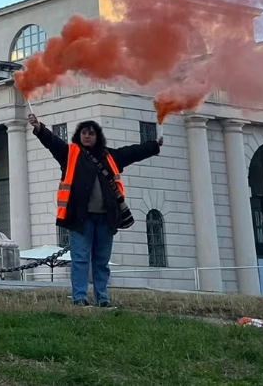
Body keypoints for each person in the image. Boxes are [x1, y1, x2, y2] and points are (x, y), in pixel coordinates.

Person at [29, 114, 163, 307]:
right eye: (84, 133)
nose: (87, 136)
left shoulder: (110, 156)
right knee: (80, 259)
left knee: (101, 261)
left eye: (91, 133)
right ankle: (80, 297)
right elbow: (52, 142)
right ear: (79, 135)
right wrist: (39, 128)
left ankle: (102, 297)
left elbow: (133, 152)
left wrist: (154, 146)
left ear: (97, 136)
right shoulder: (70, 153)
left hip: (106, 219)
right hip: (80, 219)